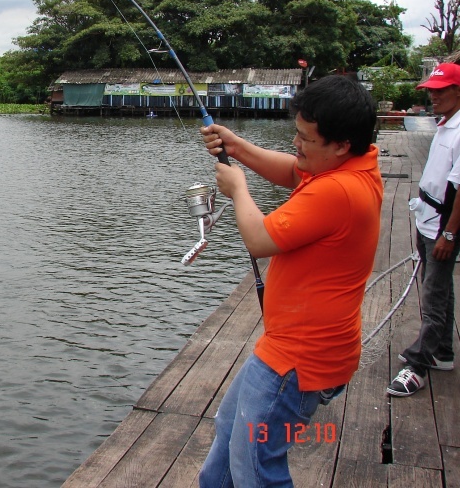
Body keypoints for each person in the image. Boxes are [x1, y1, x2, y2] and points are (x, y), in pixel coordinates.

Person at [197, 75, 382, 488]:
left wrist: (238, 189)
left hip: (298, 359)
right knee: (228, 438)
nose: (295, 145)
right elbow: (294, 171)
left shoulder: (339, 189)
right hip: (286, 349)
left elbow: (260, 240)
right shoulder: (356, 164)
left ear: (340, 144)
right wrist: (237, 146)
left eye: (305, 138)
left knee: (256, 469)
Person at [387, 62, 460, 397]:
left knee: (432, 296)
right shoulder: (446, 124)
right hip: (427, 219)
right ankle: (443, 352)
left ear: (458, 91)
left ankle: (418, 365)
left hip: (443, 227)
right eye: (431, 90)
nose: (433, 97)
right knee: (440, 289)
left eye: (440, 90)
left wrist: (449, 234)